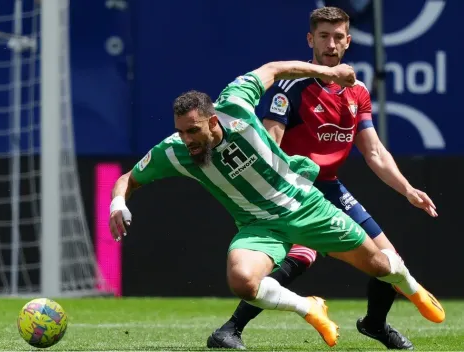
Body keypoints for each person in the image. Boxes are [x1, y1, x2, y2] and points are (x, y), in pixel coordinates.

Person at [109, 60, 445, 349]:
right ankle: (309, 307)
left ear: (213, 121)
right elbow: (128, 178)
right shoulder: (175, 151)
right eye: (181, 132)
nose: (187, 140)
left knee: (381, 267)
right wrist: (117, 204)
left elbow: (274, 68)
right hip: (259, 226)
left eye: (192, 131)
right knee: (242, 281)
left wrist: (328, 72)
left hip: (305, 205)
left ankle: (413, 288)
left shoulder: (236, 103)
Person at [206, 6, 439, 351]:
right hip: (293, 190)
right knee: (300, 256)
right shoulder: (292, 87)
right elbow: (270, 142)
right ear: (310, 39)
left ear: (348, 41)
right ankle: (230, 330)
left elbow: (373, 151)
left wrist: (406, 189)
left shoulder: (357, 91)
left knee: (391, 263)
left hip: (330, 187)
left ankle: (374, 324)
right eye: (323, 36)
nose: (331, 44)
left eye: (338, 37)